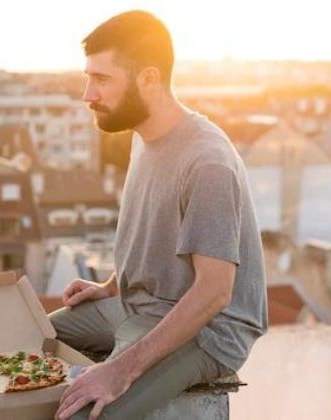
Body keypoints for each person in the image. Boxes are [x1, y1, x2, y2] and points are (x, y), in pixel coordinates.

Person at [50, 10, 267, 420]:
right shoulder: (144, 136)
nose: (87, 94)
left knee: (82, 415)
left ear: (148, 79)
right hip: (141, 305)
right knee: (27, 340)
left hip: (209, 332)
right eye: (88, 77)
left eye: (101, 79)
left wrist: (118, 371)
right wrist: (113, 284)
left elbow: (214, 293)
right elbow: (166, 235)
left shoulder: (207, 163)